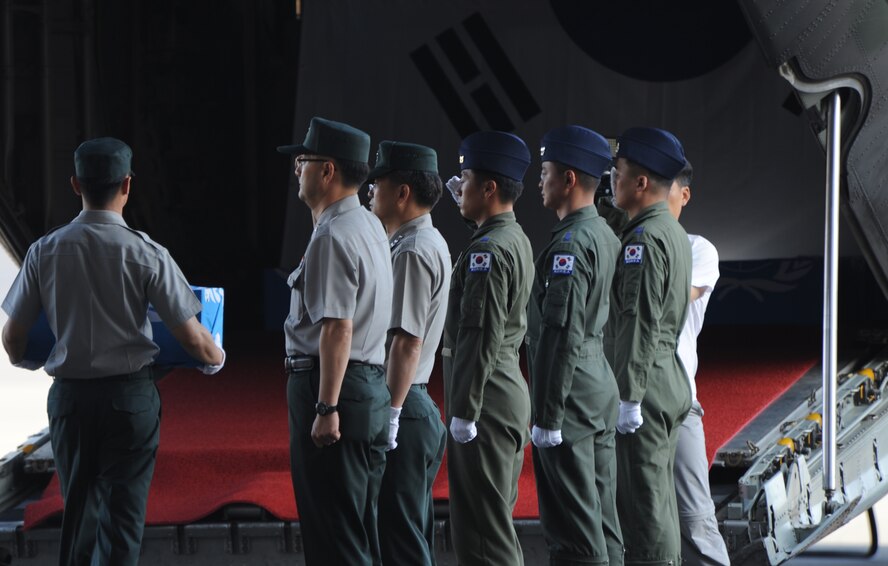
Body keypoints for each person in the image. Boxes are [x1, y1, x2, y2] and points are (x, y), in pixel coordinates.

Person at [0, 137, 225, 566]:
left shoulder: (43, 252)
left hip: (70, 400)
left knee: (79, 514)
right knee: (122, 524)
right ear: (127, 185)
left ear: (74, 185)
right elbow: (195, 339)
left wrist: (25, 359)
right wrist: (216, 359)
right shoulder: (147, 254)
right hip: (129, 400)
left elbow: (12, 338)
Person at [277, 117, 393, 566]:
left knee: (334, 539)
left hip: (335, 389)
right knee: (358, 530)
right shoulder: (369, 226)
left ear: (327, 170)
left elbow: (337, 326)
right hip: (368, 387)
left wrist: (326, 407)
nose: (296, 170)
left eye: (302, 161)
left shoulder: (332, 233)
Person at [527, 125, 624, 566]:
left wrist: (547, 415)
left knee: (573, 530)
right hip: (595, 382)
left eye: (545, 171)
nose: (539, 181)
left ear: (568, 178)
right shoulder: (602, 232)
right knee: (603, 520)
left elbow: (560, 333)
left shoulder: (570, 243)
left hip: (569, 393)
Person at [442, 131, 534, 565]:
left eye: (465, 179)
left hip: (486, 399)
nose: (457, 188)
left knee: (484, 538)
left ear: (489, 189)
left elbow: (479, 335)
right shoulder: (509, 237)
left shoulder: (489, 251)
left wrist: (464, 408)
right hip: (501, 391)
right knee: (489, 523)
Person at [606, 127, 693, 566]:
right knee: (656, 501)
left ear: (641, 182)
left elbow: (637, 324)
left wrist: (629, 397)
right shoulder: (667, 230)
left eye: (618, 172)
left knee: (643, 510)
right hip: (665, 373)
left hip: (646, 381)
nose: (611, 180)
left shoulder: (643, 240)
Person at [367, 141, 450, 565]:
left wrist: (391, 415)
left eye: (377, 183)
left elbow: (405, 341)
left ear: (402, 193)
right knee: (408, 533)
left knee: (401, 541)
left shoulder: (414, 249)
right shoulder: (419, 241)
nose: (370, 193)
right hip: (413, 401)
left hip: (405, 401)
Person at [667, 161, 730, 566]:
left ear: (683, 195)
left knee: (695, 523)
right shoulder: (609, 243)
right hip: (611, 406)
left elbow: (663, 299)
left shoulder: (697, 248)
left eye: (661, 187)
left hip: (676, 405)